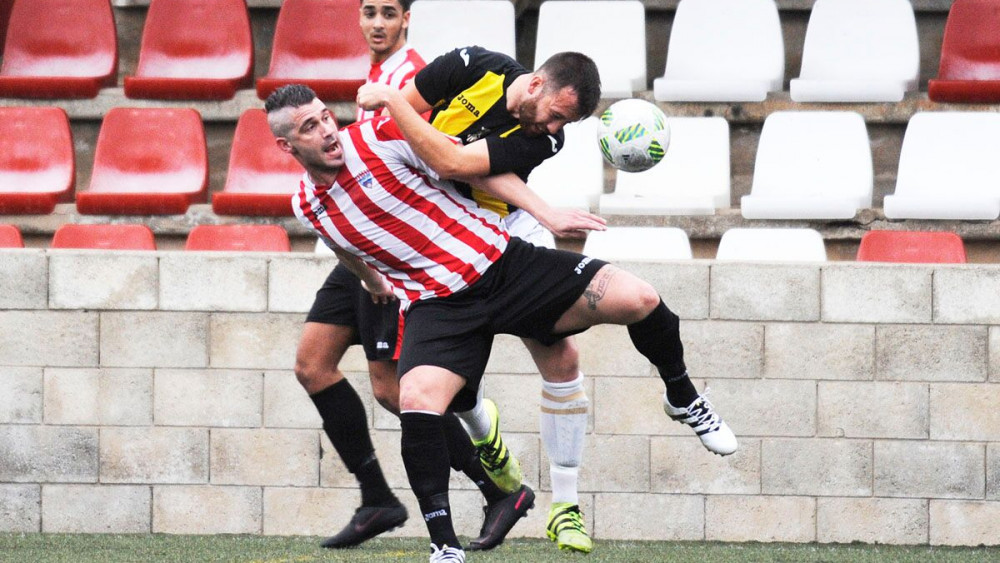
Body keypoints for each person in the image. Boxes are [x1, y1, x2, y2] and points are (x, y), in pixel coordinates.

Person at [266, 82, 737, 563]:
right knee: (415, 400)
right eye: (310, 126)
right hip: (441, 307)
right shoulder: (308, 204)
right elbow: (345, 246)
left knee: (639, 298)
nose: (327, 130)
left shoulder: (379, 135)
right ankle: (445, 547)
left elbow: (478, 169)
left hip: (506, 267)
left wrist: (545, 213)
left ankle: (682, 396)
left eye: (326, 116)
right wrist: (371, 280)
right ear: (287, 146)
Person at [292, 0, 530, 550]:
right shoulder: (375, 75)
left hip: (399, 244)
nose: (376, 23)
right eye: (368, 12)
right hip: (357, 237)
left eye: (387, 13)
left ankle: (496, 490)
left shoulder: (410, 78)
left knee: (396, 390)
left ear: (405, 21)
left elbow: (425, 155)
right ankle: (377, 496)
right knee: (312, 364)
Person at [378, 45, 609, 554]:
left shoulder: (548, 141)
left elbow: (460, 163)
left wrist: (545, 215)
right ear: (534, 86)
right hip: (439, 225)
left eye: (563, 123)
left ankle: (565, 507)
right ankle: (487, 436)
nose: (554, 129)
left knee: (559, 353)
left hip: (508, 222)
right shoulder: (469, 66)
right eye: (555, 115)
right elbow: (403, 123)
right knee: (434, 375)